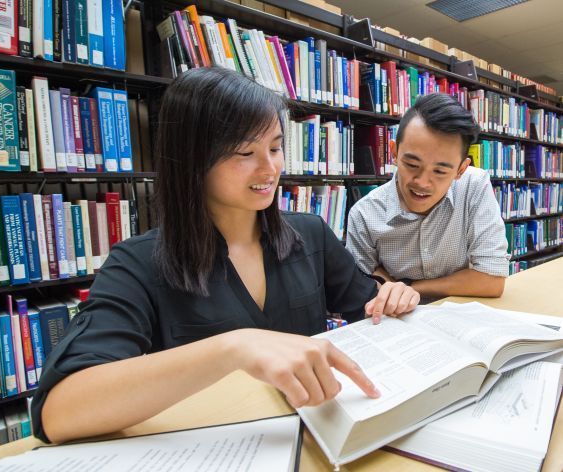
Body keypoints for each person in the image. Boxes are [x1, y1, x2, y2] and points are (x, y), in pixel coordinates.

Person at [32, 67, 420, 444]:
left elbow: (370, 309)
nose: (270, 168)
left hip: (320, 439)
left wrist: (394, 295)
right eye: (245, 152)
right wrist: (232, 349)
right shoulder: (138, 264)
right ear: (193, 159)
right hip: (220, 450)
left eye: (275, 147)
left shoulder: (309, 234)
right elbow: (59, 412)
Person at [347, 93, 509, 300]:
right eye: (412, 165)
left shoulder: (474, 186)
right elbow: (367, 290)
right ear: (394, 153)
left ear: (461, 169)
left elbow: (491, 280)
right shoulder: (364, 215)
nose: (422, 182)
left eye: (440, 171)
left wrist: (407, 287)